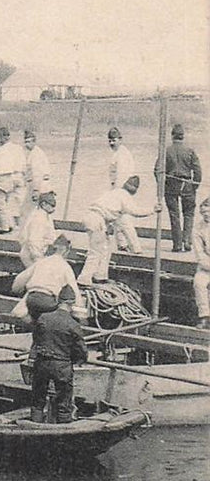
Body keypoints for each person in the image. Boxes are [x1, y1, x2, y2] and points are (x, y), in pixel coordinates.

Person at [78, 176, 158, 285]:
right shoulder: (125, 197)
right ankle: (84, 279)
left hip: (92, 217)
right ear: (134, 191)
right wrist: (152, 210)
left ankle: (100, 276)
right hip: (98, 219)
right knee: (96, 251)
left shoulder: (114, 192)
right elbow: (135, 212)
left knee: (106, 247)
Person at [28, 284, 87, 423]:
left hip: (41, 362)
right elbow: (81, 350)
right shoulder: (73, 324)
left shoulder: (43, 318)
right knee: (64, 401)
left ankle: (35, 426)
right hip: (62, 365)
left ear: (58, 301)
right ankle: (63, 430)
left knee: (38, 399)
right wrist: (78, 360)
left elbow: (36, 338)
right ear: (71, 303)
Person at [157, 123, 202, 252]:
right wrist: (195, 186)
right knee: (188, 213)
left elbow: (157, 170)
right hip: (187, 184)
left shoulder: (166, 151)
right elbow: (198, 170)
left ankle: (177, 244)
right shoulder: (190, 151)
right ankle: (187, 241)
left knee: (174, 215)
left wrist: (162, 186)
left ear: (172, 136)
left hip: (171, 184)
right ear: (183, 136)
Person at [12, 235, 80, 320]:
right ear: (66, 251)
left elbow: (19, 281)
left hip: (31, 299)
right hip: (48, 301)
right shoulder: (66, 267)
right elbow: (74, 290)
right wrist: (79, 310)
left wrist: (17, 291)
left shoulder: (41, 262)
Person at [107, 127, 139, 252]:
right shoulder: (117, 153)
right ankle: (122, 244)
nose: (111, 143)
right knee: (117, 219)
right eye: (109, 140)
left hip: (122, 191)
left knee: (124, 220)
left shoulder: (122, 154)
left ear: (120, 140)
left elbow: (121, 175)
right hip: (118, 190)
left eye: (114, 140)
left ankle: (135, 248)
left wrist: (116, 194)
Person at [0, 126, 26, 234]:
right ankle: (11, 224)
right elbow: (24, 164)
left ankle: (4, 226)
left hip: (3, 177)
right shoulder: (18, 148)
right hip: (18, 177)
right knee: (12, 203)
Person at [18, 190, 58, 268]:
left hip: (38, 251)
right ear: (43, 204)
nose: (53, 208)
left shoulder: (45, 215)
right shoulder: (38, 218)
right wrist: (37, 257)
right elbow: (33, 239)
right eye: (51, 205)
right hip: (32, 254)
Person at [21, 129, 52, 222]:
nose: (27, 144)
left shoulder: (36, 154)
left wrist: (36, 190)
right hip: (35, 184)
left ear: (34, 141)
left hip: (38, 184)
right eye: (25, 142)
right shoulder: (32, 153)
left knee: (34, 210)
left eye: (29, 142)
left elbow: (37, 174)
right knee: (40, 210)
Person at [194, 197, 210, 328]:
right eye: (203, 213)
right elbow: (200, 253)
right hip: (207, 265)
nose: (206, 215)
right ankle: (204, 316)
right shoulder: (198, 228)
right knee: (199, 282)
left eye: (208, 212)